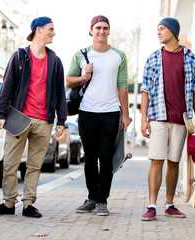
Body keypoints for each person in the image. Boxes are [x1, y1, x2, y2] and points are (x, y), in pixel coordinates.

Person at [0, 16, 67, 218]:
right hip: (18, 120)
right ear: (39, 30)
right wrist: (1, 114)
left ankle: (28, 204)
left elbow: (60, 93)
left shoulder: (55, 61)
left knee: (34, 166)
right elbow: (7, 86)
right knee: (11, 164)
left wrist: (62, 121)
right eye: (50, 29)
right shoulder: (20, 56)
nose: (53, 33)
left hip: (44, 121)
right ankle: (8, 203)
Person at [66, 15, 132, 216]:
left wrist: (125, 114)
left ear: (109, 31)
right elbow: (69, 81)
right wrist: (84, 76)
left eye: (105, 28)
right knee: (89, 158)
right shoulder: (81, 54)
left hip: (110, 113)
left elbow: (122, 86)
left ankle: (102, 201)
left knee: (106, 158)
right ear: (91, 30)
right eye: (98, 28)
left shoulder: (118, 56)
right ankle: (91, 198)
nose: (101, 31)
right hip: (87, 113)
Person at [140, 17, 195, 221]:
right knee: (156, 160)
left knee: (174, 161)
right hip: (157, 117)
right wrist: (143, 119)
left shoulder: (190, 58)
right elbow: (145, 91)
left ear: (173, 32)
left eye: (162, 29)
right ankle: (151, 205)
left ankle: (169, 204)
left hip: (181, 119)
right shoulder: (153, 58)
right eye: (157, 29)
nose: (158, 32)